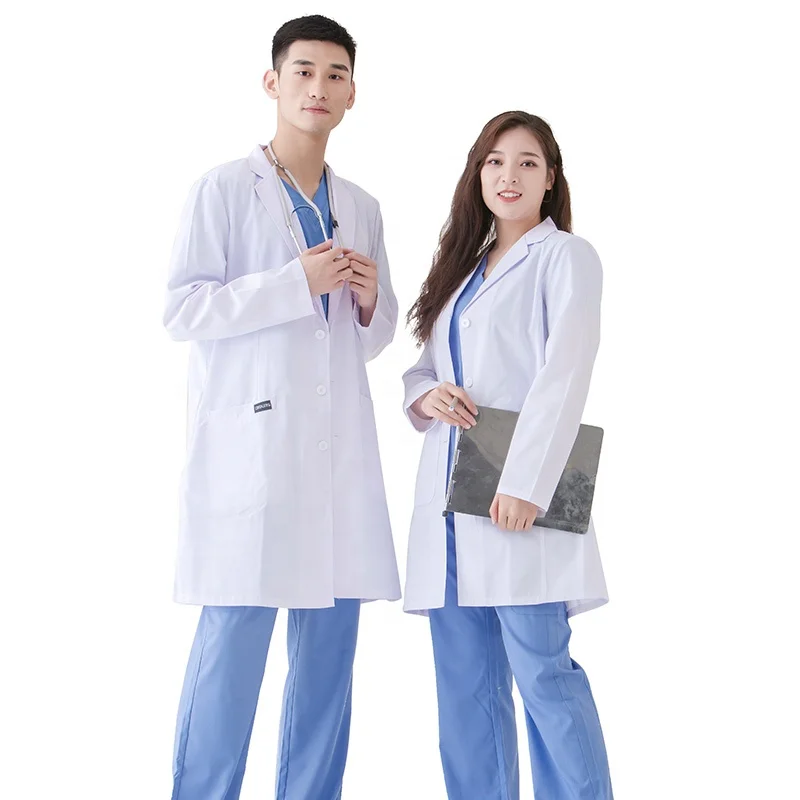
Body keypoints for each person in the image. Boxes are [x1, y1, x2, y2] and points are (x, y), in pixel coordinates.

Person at [163, 15, 400, 799]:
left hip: (336, 464)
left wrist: (370, 301)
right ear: (273, 82)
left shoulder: (361, 206)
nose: (317, 88)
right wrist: (294, 282)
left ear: (353, 94)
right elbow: (183, 311)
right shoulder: (224, 190)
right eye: (303, 71)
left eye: (335, 75)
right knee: (231, 654)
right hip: (254, 461)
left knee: (328, 665)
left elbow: (370, 341)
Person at [402, 111, 613, 799]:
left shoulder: (566, 256)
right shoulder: (463, 268)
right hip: (449, 504)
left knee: (544, 677)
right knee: (465, 690)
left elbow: (565, 373)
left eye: (527, 162)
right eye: (494, 161)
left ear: (550, 179)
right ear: (478, 174)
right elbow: (424, 370)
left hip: (518, 494)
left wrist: (528, 484)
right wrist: (427, 395)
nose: (509, 175)